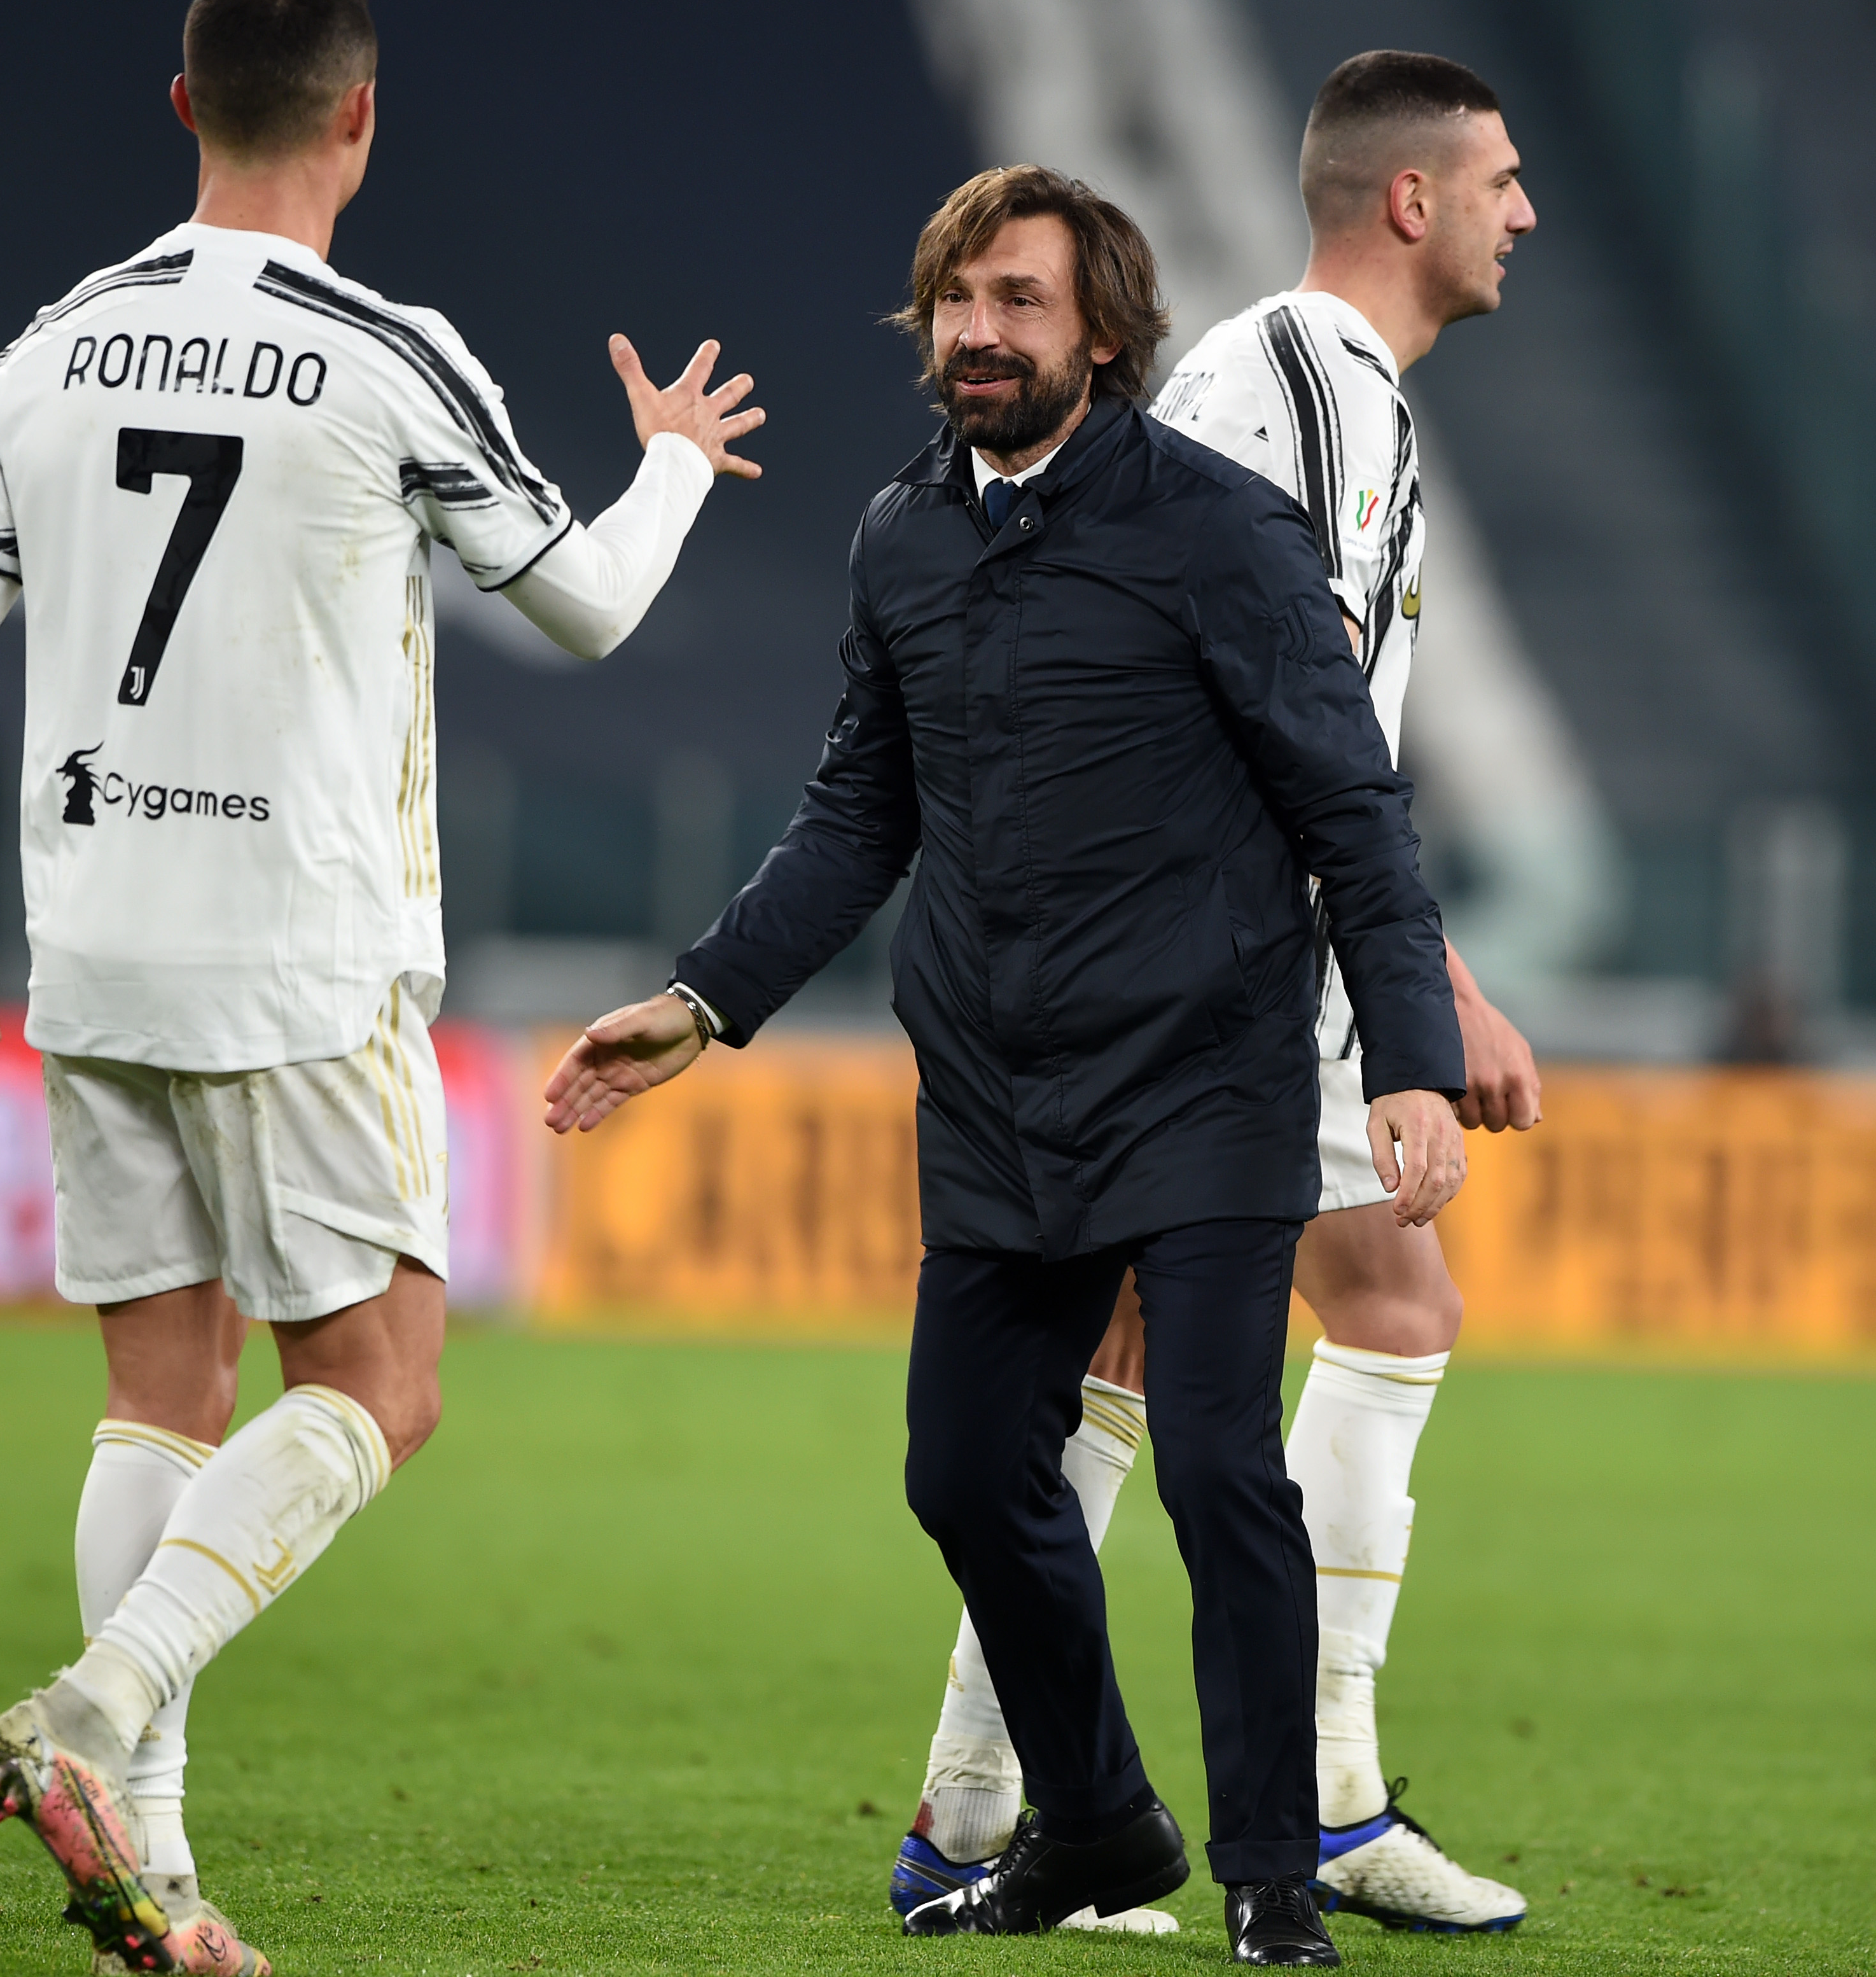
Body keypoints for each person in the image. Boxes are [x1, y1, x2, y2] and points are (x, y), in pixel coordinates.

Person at [0, 0, 764, 1974]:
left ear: (178, 107)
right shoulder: (388, 355)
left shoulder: (51, 349)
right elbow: (594, 612)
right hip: (296, 956)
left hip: (89, 942)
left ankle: (155, 1884)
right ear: (361, 121)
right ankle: (95, 1717)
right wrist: (680, 461)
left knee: (154, 1396)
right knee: (384, 1384)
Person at [544, 164, 1468, 1969]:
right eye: (956, 302)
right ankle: (1106, 1820)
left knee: (1218, 1468)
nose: (977, 333)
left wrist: (1408, 1061)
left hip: (1206, 1083)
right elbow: (858, 812)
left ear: (1101, 335)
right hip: (995, 1095)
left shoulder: (1220, 531)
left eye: (1017, 302)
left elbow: (1354, 812)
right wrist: (705, 1000)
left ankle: (1275, 1876)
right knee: (965, 1475)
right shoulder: (903, 537)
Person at [894, 50, 1548, 1937]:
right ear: (1408, 199)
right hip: (1204, 961)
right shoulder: (1291, 387)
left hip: (1196, 946)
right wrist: (1430, 986)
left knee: (1163, 1353)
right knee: (1381, 1304)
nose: (1524, 214)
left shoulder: (1330, 391)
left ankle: (980, 1809)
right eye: (1499, 179)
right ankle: (1316, 1807)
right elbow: (1275, 716)